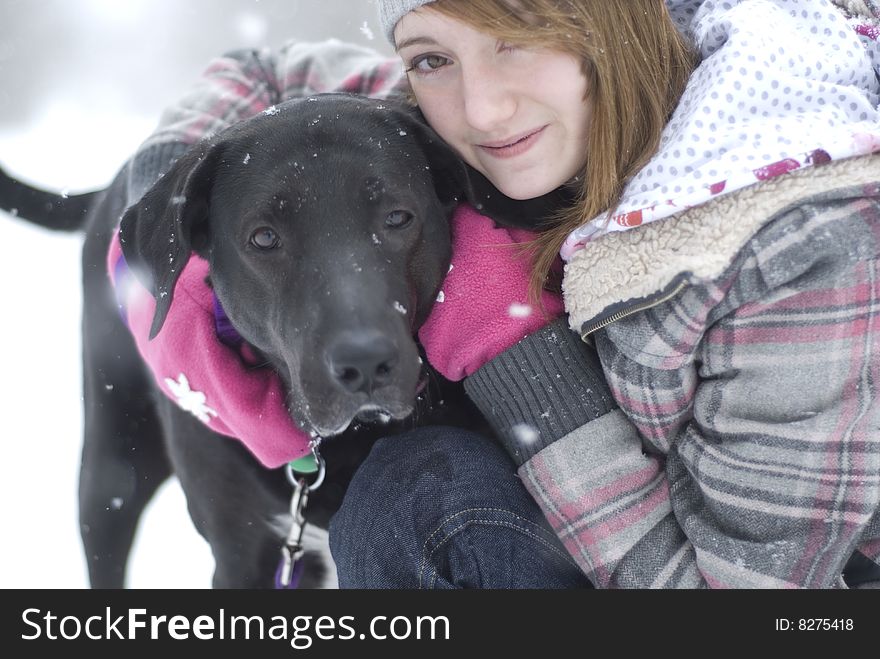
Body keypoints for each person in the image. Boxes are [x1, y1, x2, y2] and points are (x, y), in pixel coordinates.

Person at [117, 0, 880, 588]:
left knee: (414, 500)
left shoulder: (801, 244)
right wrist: (172, 225)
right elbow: (266, 73)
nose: (481, 109)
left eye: (516, 31)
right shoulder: (498, 129)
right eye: (430, 57)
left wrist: (517, 354)